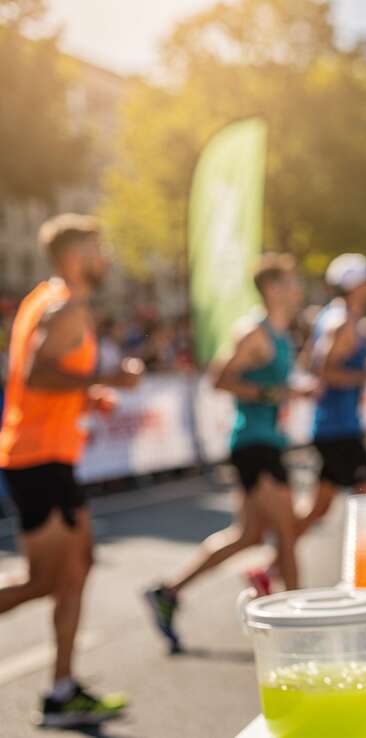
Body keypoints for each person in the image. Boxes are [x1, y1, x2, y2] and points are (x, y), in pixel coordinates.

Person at [0, 214, 142, 728]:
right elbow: (38, 374)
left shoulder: (50, 300)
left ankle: (62, 688)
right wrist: (109, 379)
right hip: (37, 458)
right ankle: (60, 690)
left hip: (51, 456)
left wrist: (91, 394)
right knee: (47, 580)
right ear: (75, 256)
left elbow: (48, 380)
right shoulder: (64, 307)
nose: (105, 259)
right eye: (98, 250)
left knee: (76, 568)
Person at [145, 254, 307, 652]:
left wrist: (290, 394)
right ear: (271, 289)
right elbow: (219, 379)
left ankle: (168, 592)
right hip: (253, 443)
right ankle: (298, 629)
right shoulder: (254, 332)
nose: (297, 289)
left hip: (270, 440)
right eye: (289, 282)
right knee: (286, 532)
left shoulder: (284, 334)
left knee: (248, 535)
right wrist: (273, 394)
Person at [300, 253, 366, 537]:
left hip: (334, 427)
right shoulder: (342, 323)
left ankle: (270, 565)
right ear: (356, 285)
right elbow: (325, 373)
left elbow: (309, 362)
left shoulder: (333, 317)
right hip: (339, 429)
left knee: (318, 510)